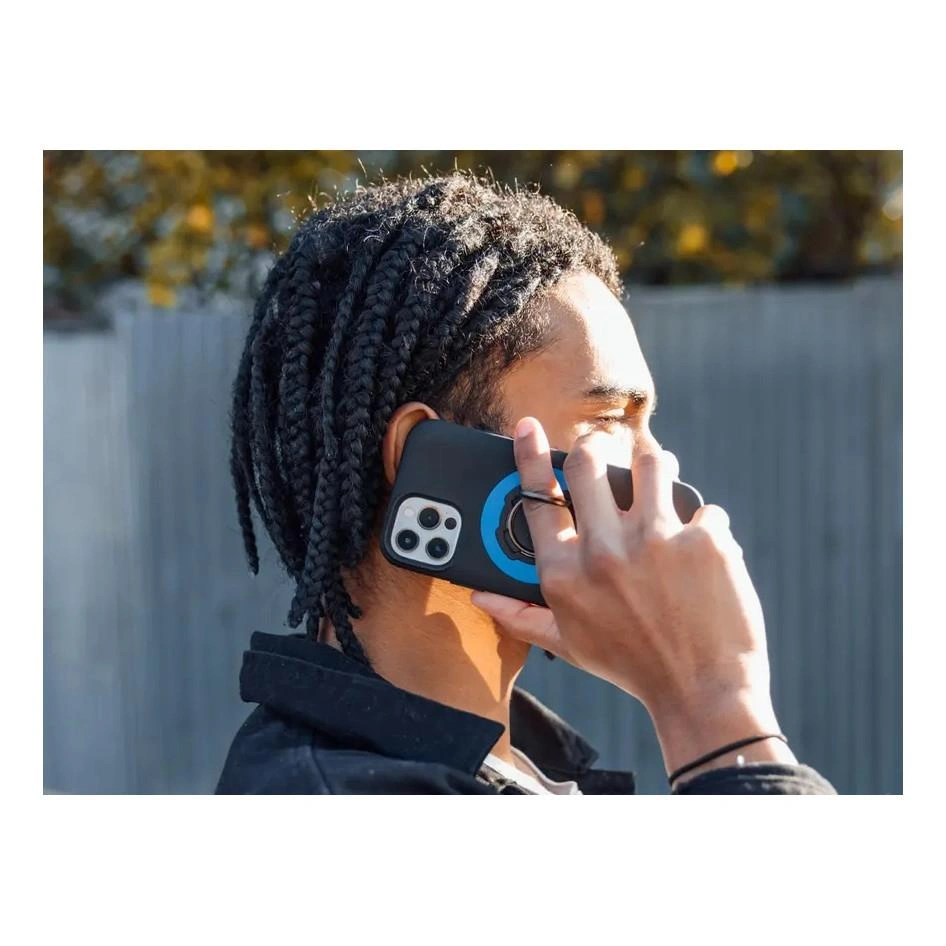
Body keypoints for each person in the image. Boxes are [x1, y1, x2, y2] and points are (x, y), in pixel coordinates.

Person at [216, 172, 836, 795]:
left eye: (646, 424)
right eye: (609, 418)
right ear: (427, 461)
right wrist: (715, 709)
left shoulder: (513, 768)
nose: (656, 464)